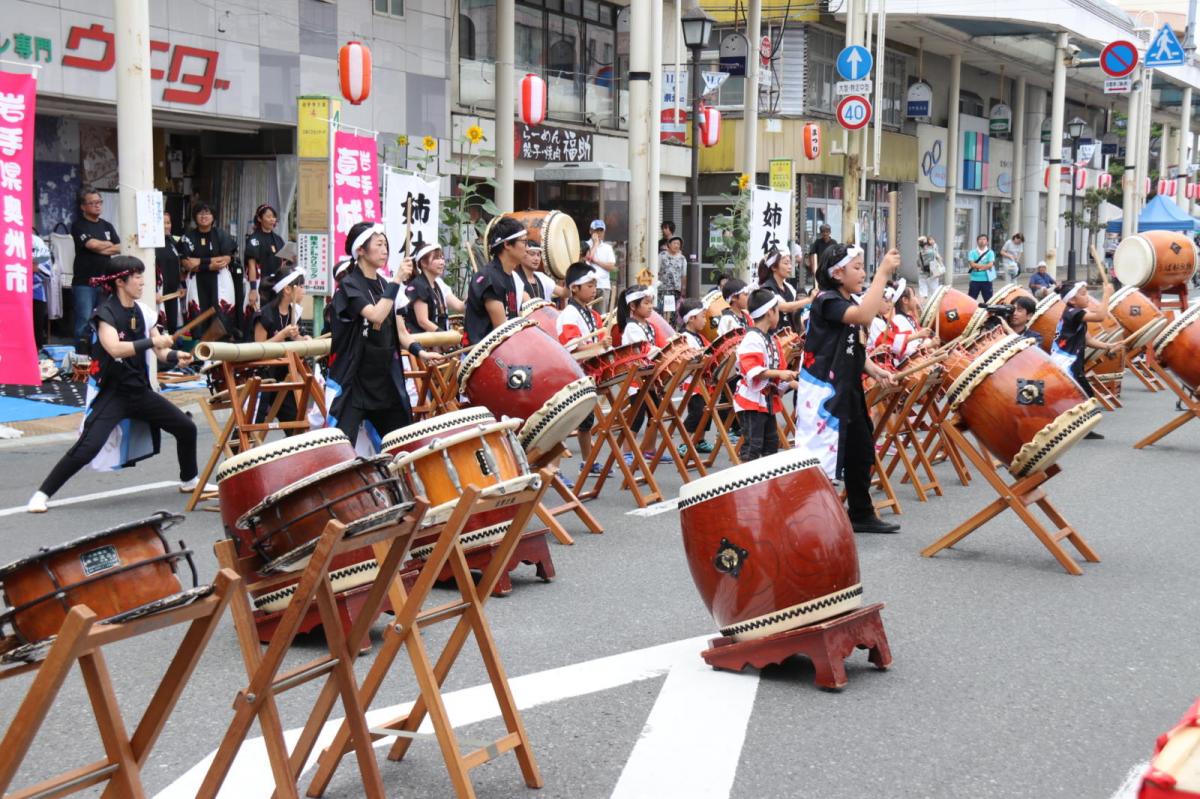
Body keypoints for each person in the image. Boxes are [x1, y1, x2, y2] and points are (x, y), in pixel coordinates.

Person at [27, 257, 201, 513]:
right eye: (137, 277)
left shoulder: (144, 312)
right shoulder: (105, 314)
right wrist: (153, 342)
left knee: (186, 427)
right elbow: (115, 348)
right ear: (120, 281)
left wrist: (176, 356)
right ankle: (42, 494)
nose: (142, 282)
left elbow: (161, 352)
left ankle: (190, 479)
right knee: (88, 446)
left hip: (139, 391)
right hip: (113, 394)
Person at [794, 244, 902, 535]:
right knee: (822, 453)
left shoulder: (847, 299)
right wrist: (883, 273)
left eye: (864, 267)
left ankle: (861, 512)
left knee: (861, 449)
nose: (863, 273)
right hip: (825, 391)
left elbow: (850, 346)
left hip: (847, 385)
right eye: (857, 267)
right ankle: (809, 515)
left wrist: (873, 369)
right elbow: (864, 316)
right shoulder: (826, 301)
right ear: (837, 273)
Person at [327, 221, 442, 445]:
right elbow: (376, 315)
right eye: (378, 244)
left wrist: (421, 353)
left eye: (386, 245)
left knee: (402, 445)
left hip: (384, 380)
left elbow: (401, 333)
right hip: (354, 381)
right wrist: (397, 280)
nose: (385, 250)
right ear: (361, 250)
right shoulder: (349, 285)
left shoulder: (385, 285)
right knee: (340, 448)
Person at [1050, 280, 1122, 439]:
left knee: (1082, 396)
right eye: (1083, 294)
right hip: (1066, 363)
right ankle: (1080, 429)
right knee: (1085, 396)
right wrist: (1106, 295)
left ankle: (1081, 428)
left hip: (1070, 361)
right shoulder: (1073, 313)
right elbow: (1100, 316)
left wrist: (1108, 346)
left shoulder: (1075, 314)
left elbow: (1088, 340)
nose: (1087, 296)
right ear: (1072, 300)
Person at [734, 289, 799, 461]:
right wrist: (781, 373)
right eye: (778, 310)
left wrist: (796, 384)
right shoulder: (751, 338)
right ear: (770, 312)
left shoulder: (772, 340)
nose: (779, 315)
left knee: (771, 444)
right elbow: (753, 370)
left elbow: (779, 375)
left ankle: (765, 478)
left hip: (766, 401)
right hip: (751, 401)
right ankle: (747, 477)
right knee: (753, 446)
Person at [557, 261, 609, 474]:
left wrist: (602, 345)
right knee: (566, 422)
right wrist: (599, 346)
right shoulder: (569, 314)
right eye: (590, 285)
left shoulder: (591, 314)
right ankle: (554, 470)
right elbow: (573, 348)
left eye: (595, 284)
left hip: (589, 371)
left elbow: (596, 342)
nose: (594, 289)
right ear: (575, 288)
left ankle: (588, 462)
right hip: (574, 373)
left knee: (586, 421)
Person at [617, 285, 670, 464]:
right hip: (637, 378)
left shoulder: (650, 326)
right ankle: (627, 452)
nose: (650, 307)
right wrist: (662, 353)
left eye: (650, 303)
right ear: (633, 306)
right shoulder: (631, 327)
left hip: (650, 376)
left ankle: (649, 449)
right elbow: (646, 349)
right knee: (637, 415)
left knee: (655, 414)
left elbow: (663, 344)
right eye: (646, 303)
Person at [252, 267, 309, 429]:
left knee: (296, 424)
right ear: (287, 289)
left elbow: (296, 339)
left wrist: (301, 339)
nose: (304, 291)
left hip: (285, 376)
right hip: (263, 378)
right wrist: (282, 335)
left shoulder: (294, 312)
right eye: (301, 286)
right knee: (251, 426)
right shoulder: (265, 314)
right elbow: (258, 350)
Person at [180, 203, 243, 341]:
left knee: (221, 313)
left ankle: (220, 346)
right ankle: (199, 347)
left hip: (220, 280)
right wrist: (210, 265)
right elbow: (187, 263)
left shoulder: (221, 235)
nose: (204, 216)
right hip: (196, 281)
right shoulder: (188, 237)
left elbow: (225, 259)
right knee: (197, 314)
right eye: (200, 213)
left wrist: (199, 261)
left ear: (213, 216)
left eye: (207, 213)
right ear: (195, 216)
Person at [70, 188, 121, 353]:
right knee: (84, 320)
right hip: (84, 282)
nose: (97, 206)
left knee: (104, 320)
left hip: (105, 282)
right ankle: (81, 357)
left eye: (99, 202)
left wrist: (100, 247)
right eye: (92, 203)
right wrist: (105, 245)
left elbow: (119, 247)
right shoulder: (78, 225)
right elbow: (91, 244)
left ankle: (101, 356)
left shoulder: (107, 225)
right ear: (83, 207)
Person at [466, 217, 527, 345]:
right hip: (485, 353)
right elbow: (502, 331)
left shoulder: (511, 277)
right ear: (507, 244)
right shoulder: (490, 278)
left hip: (504, 348)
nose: (527, 248)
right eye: (524, 242)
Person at [675, 298, 713, 454]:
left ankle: (699, 440)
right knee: (697, 412)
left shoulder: (698, 336)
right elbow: (688, 357)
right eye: (702, 316)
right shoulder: (684, 337)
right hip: (691, 382)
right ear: (691, 318)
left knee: (706, 411)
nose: (705, 320)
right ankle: (685, 442)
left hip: (702, 380)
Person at [405, 242, 465, 333]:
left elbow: (459, 306)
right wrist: (444, 335)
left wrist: (475, 294)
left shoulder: (439, 284)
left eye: (442, 258)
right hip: (423, 339)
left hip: (439, 338)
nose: (442, 262)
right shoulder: (417, 285)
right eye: (437, 258)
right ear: (423, 263)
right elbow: (423, 321)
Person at [756, 246, 812, 332]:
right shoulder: (766, 289)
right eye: (786, 263)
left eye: (790, 263)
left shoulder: (789, 288)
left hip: (790, 335)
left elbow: (794, 312)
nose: (790, 267)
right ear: (774, 267)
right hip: (773, 336)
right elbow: (785, 307)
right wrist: (809, 299)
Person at [244, 203, 286, 310]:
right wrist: (253, 289)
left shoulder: (278, 239)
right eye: (268, 216)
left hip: (276, 285)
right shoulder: (254, 239)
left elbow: (284, 263)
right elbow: (252, 266)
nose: (272, 219)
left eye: (273, 217)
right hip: (260, 285)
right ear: (259, 218)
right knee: (259, 314)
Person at [889, 282, 936, 363]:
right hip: (912, 363)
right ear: (905, 300)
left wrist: (929, 343)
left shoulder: (908, 317)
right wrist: (929, 345)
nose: (916, 299)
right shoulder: (898, 320)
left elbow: (921, 339)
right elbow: (908, 351)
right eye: (913, 296)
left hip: (921, 359)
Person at [155, 211, 184, 333]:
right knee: (160, 327)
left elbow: (179, 266)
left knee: (172, 326)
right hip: (159, 293)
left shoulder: (172, 241)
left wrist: (181, 286)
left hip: (173, 292)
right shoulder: (151, 244)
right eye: (163, 223)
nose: (167, 226)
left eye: (168, 222)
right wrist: (153, 291)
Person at [584, 219, 616, 296]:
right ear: (590, 231)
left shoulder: (608, 247)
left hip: (603, 285)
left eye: (601, 231)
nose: (599, 233)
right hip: (587, 285)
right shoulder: (585, 244)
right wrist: (595, 244)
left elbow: (611, 267)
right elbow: (587, 259)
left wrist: (596, 261)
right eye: (596, 230)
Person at [31, 232, 51, 352]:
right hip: (11, 293)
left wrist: (33, 265)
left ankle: (36, 357)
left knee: (35, 330)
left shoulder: (36, 241)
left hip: (35, 293)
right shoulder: (5, 237)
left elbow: (47, 272)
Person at [657, 235, 686, 316]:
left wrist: (683, 289)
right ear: (669, 244)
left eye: (678, 244)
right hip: (663, 288)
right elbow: (657, 271)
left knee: (672, 312)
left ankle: (671, 324)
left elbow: (684, 275)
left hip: (675, 289)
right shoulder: (662, 255)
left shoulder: (682, 258)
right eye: (674, 243)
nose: (676, 245)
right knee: (662, 311)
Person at [966, 233, 996, 301]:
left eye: (984, 239)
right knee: (971, 300)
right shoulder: (972, 252)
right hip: (974, 279)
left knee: (989, 301)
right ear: (977, 241)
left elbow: (990, 265)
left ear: (987, 242)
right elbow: (972, 264)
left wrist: (978, 268)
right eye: (980, 239)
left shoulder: (990, 252)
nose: (982, 241)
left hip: (987, 279)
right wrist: (985, 266)